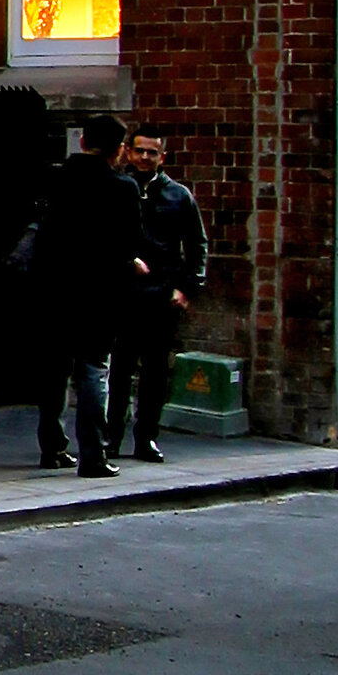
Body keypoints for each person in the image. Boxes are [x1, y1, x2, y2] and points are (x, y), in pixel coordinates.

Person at [30, 111, 148, 478]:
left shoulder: (55, 178)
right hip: (100, 294)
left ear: (82, 142)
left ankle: (52, 447)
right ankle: (93, 455)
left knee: (54, 372)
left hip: (55, 290)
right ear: (119, 151)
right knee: (94, 371)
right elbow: (132, 242)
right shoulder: (123, 188)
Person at [108, 126, 208, 465]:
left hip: (161, 295)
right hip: (124, 294)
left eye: (152, 152)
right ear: (129, 152)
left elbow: (197, 245)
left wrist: (186, 289)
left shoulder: (178, 196)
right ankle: (112, 435)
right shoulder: (120, 189)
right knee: (119, 369)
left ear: (162, 156)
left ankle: (146, 437)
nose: (145, 158)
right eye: (140, 151)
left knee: (154, 373)